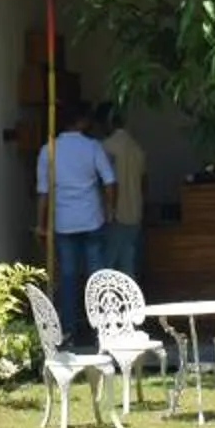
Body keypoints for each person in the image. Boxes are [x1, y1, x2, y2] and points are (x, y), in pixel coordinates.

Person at [36, 104, 116, 342]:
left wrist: (40, 224)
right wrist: (110, 209)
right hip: (92, 219)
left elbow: (43, 191)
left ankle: (69, 329)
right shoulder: (93, 147)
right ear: (82, 122)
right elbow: (110, 181)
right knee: (97, 276)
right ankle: (102, 327)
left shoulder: (47, 150)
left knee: (69, 277)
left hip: (64, 222)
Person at [96, 103, 146, 283]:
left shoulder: (105, 147)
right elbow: (143, 182)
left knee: (107, 268)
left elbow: (104, 183)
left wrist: (108, 209)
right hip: (135, 213)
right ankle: (131, 308)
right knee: (128, 268)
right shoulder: (136, 148)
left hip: (114, 215)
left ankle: (105, 309)